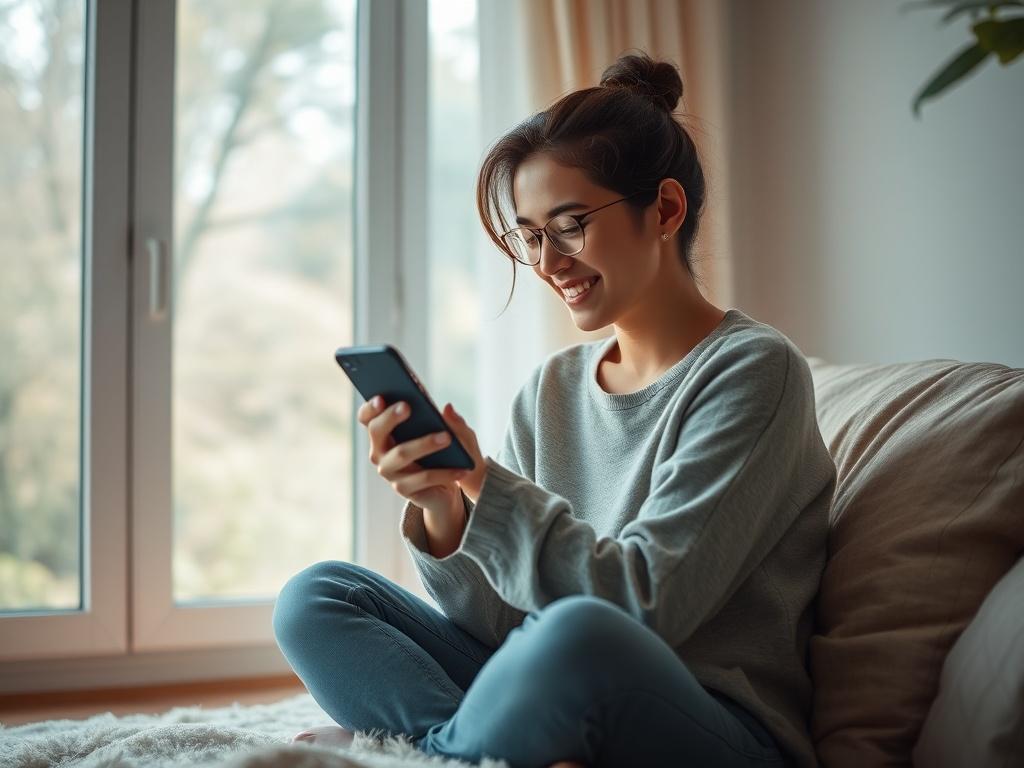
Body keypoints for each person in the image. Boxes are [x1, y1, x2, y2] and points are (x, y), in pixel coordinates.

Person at [273, 51, 836, 768]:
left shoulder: (754, 371)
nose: (546, 262)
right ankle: (456, 749)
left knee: (578, 637)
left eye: (570, 225)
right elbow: (506, 623)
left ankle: (422, 750)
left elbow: (642, 608)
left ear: (664, 209)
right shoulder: (554, 387)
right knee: (319, 596)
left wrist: (487, 484)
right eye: (531, 236)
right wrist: (448, 509)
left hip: (709, 725)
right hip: (561, 689)